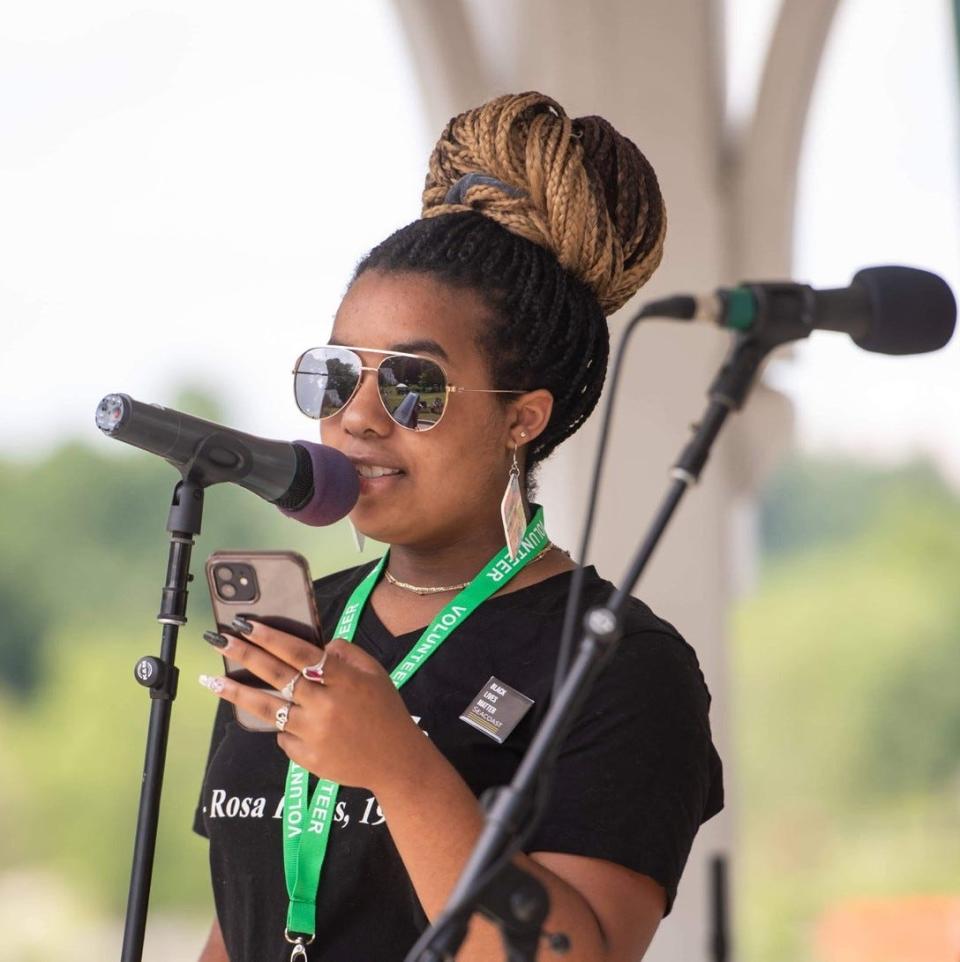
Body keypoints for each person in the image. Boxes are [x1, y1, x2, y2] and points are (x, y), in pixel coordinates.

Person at [194, 91, 723, 962]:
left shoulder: (620, 665)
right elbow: (240, 925)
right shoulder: (298, 632)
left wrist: (398, 767)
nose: (358, 417)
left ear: (524, 419)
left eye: (412, 384)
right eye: (337, 376)